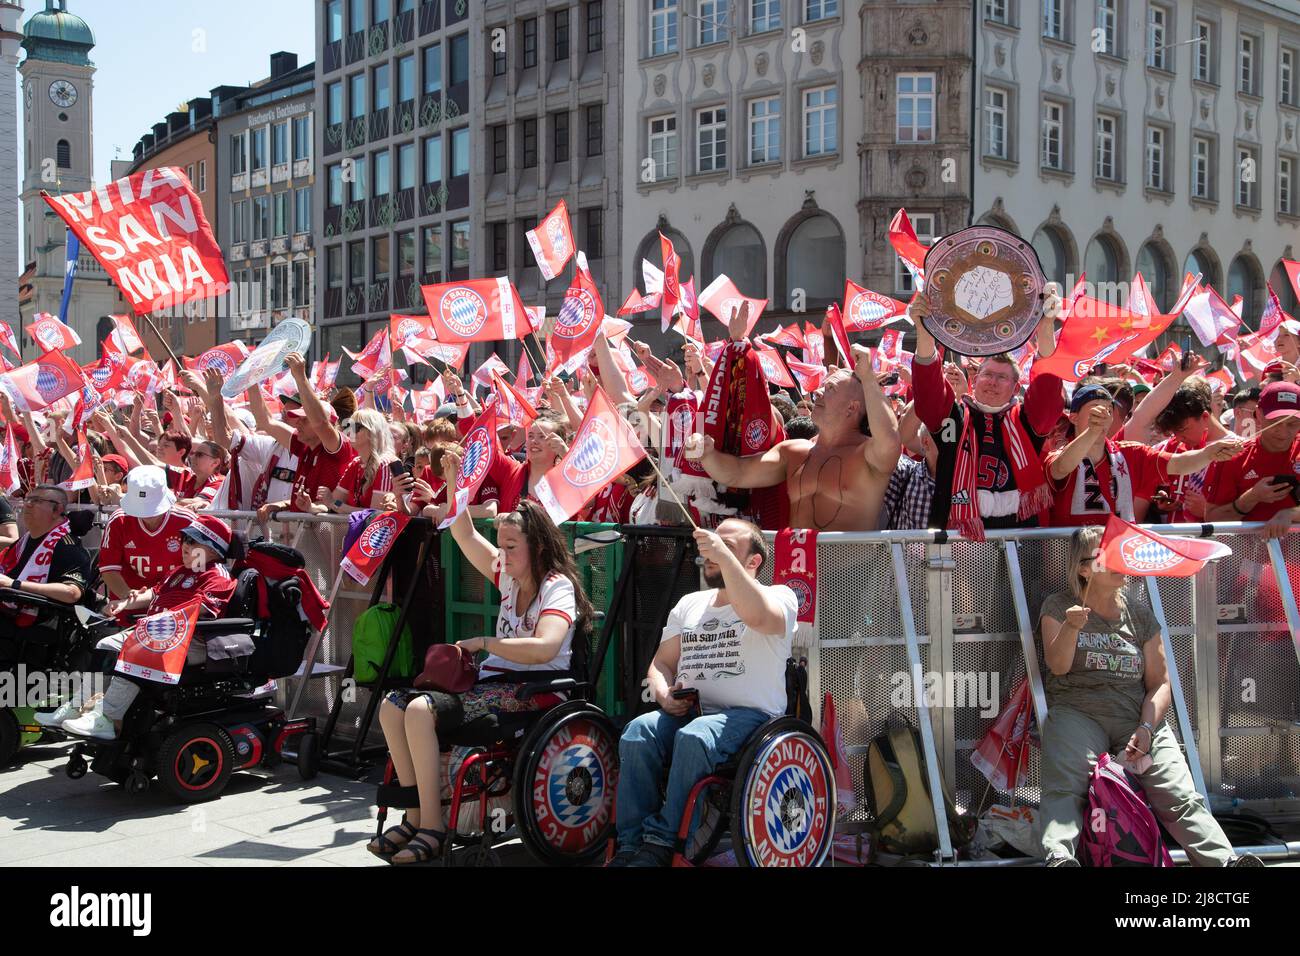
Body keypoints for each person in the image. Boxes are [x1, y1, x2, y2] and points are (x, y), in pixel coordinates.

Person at [369, 500, 594, 864]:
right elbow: (465, 533)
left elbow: (545, 648)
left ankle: (433, 826)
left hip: (536, 690)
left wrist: (485, 643)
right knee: (392, 705)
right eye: (500, 545)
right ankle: (413, 817)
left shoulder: (557, 587)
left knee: (420, 710)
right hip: (494, 685)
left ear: (537, 546)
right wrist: (456, 479)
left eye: (510, 546)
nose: (501, 554)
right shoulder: (508, 576)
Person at [1037, 526, 1260, 867]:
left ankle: (1225, 862)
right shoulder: (1059, 606)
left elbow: (1160, 684)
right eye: (1107, 554)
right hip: (1077, 712)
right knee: (1067, 786)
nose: (1119, 561)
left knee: (1179, 795)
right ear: (1083, 569)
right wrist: (1070, 628)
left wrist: (1146, 727)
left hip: (1135, 717)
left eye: (1120, 553)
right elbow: (1058, 666)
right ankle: (1060, 857)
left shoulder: (1140, 614)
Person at [610, 519, 798, 867]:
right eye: (713, 544)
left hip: (752, 720)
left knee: (696, 736)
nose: (713, 550)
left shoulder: (780, 596)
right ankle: (629, 846)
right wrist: (664, 693)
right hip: (694, 712)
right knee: (637, 732)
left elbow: (758, 616)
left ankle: (663, 844)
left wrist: (723, 558)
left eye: (727, 546)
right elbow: (661, 664)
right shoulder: (690, 603)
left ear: (753, 561)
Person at [61, 515, 239, 741]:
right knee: (105, 645)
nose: (185, 545)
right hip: (159, 633)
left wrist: (158, 621)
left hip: (191, 640)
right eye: (185, 539)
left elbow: (201, 610)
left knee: (139, 650)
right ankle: (80, 707)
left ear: (213, 549)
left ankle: (107, 718)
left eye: (193, 542)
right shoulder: (180, 572)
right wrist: (123, 603)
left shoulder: (217, 575)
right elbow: (153, 594)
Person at [687, 343, 900, 531]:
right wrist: (708, 455)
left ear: (851, 408)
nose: (817, 393)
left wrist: (868, 379)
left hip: (852, 574)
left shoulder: (868, 455)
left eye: (830, 388)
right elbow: (737, 474)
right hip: (794, 571)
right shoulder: (793, 451)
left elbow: (890, 438)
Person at [910, 287, 1063, 538]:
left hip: (1019, 541)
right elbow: (928, 393)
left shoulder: (1025, 421)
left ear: (1015, 387)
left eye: (1002, 377)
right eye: (988, 375)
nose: (993, 382)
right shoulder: (955, 419)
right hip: (959, 541)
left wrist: (1046, 326)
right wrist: (924, 331)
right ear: (975, 380)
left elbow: (1048, 391)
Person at [1043, 383, 1240, 526]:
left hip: (1116, 558)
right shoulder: (1059, 453)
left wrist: (1208, 454)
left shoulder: (1130, 453)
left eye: (1108, 410)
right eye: (1095, 409)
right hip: (1069, 561)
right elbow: (1060, 469)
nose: (1103, 415)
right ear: (1073, 417)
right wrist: (1091, 433)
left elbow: (1178, 464)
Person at [1203, 380, 1300, 537]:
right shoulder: (1232, 456)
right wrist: (1251, 497)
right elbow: (1213, 519)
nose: (1283, 432)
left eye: (1292, 424)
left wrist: (1291, 514)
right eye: (1275, 422)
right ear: (1259, 414)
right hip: (1247, 558)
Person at [0, 485, 94, 642]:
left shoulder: (67, 547)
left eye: (37, 500)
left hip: (36, 624)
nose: (28, 504)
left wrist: (15, 584)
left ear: (57, 510)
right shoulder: (24, 541)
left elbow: (71, 593)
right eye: (28, 499)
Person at [97, 466, 199, 603]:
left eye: (152, 508)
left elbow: (200, 568)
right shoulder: (118, 521)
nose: (148, 515)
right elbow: (108, 568)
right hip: (130, 604)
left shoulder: (188, 521)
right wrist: (128, 594)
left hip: (177, 601)